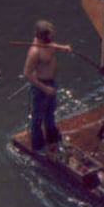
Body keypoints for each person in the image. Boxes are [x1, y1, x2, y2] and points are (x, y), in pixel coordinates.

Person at [23, 20, 72, 151]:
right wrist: (45, 88)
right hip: (41, 87)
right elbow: (27, 74)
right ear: (43, 36)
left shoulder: (48, 43)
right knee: (37, 118)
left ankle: (52, 139)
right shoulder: (35, 52)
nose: (52, 36)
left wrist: (63, 47)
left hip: (51, 83)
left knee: (50, 114)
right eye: (50, 34)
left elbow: (52, 45)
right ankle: (38, 146)